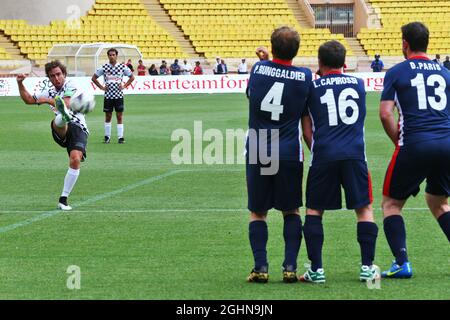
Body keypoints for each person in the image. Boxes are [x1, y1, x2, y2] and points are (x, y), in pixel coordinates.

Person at [300, 40, 378, 284]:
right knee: (364, 209)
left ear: (319, 62)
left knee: (314, 210)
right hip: (355, 154)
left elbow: (306, 130)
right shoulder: (359, 84)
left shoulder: (312, 88)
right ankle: (367, 267)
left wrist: (317, 149)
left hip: (324, 155)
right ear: (344, 62)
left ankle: (317, 270)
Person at [379, 22, 450, 279]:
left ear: (405, 43)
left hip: (415, 142)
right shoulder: (445, 72)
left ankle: (401, 262)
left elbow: (386, 114)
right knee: (438, 202)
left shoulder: (397, 72)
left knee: (391, 204)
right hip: (446, 142)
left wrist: (400, 141)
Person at [245, 26, 312, 283]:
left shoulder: (257, 70)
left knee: (258, 212)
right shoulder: (305, 76)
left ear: (271, 48)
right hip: (288, 148)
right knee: (291, 210)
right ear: (297, 50)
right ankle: (290, 267)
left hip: (260, 145)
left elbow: (253, 94)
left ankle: (260, 267)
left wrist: (264, 62)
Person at [16, 60, 89, 211]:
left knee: (75, 159)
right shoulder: (49, 91)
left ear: (64, 74)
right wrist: (20, 83)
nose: (56, 78)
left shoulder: (70, 85)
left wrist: (48, 100)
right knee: (59, 121)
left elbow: (67, 103)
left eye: (58, 74)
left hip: (78, 128)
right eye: (52, 76)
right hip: (60, 129)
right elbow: (28, 99)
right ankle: (62, 117)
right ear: (48, 78)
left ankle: (63, 200)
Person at [92, 48, 135, 144]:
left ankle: (120, 137)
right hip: (108, 96)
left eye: (113, 55)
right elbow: (94, 78)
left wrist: (124, 86)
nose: (112, 56)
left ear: (116, 56)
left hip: (119, 95)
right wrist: (101, 87)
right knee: (108, 116)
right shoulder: (104, 67)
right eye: (110, 55)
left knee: (119, 116)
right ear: (108, 56)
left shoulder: (122, 67)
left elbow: (132, 77)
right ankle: (107, 137)